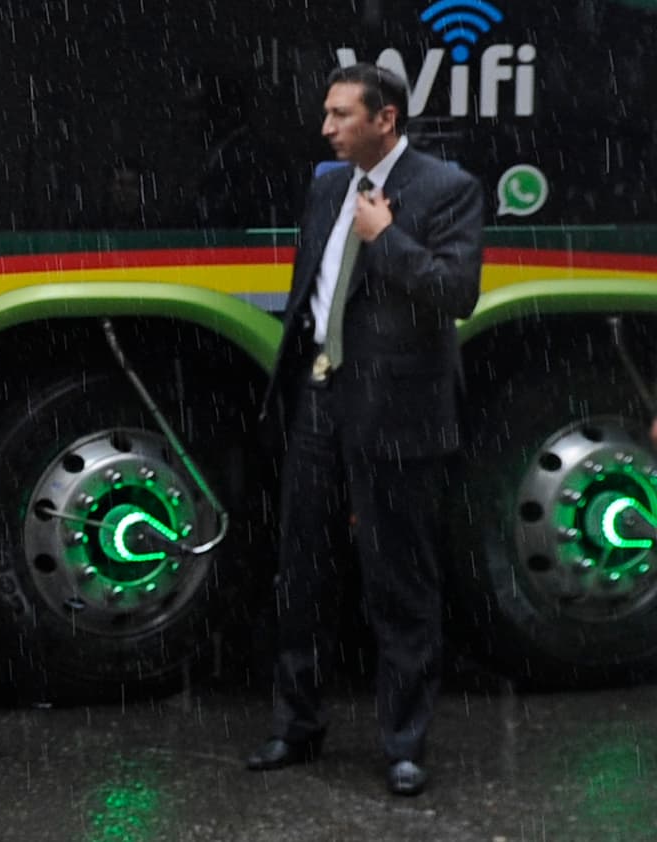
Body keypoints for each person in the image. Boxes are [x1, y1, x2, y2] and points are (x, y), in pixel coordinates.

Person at [248, 63, 484, 796]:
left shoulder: (448, 189)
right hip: (321, 400)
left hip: (398, 414)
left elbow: (457, 293)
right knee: (302, 574)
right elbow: (311, 288)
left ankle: (404, 745)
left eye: (341, 114)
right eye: (327, 113)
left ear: (385, 119)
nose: (326, 127)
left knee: (399, 582)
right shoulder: (326, 186)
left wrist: (387, 238)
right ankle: (296, 726)